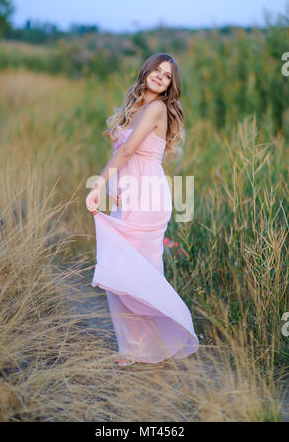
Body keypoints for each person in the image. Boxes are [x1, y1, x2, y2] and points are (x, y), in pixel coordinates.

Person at [86, 53, 199, 366]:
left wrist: (97, 184)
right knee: (122, 268)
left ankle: (173, 329)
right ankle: (133, 347)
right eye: (157, 70)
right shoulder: (134, 106)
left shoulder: (157, 108)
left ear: (169, 87)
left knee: (136, 271)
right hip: (130, 196)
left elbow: (128, 151)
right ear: (147, 70)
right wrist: (113, 187)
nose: (161, 76)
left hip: (148, 198)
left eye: (167, 76)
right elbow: (122, 151)